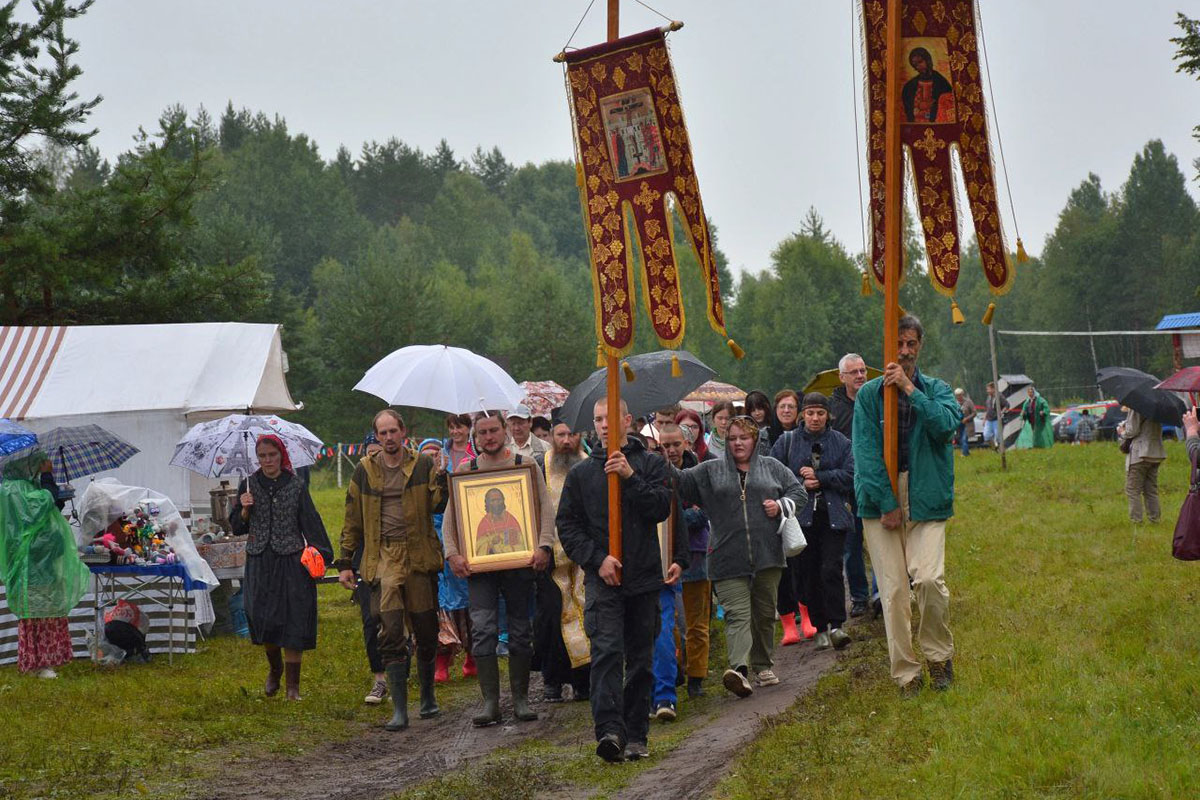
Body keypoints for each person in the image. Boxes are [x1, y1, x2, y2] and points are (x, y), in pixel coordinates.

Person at [557, 398, 676, 763]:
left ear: (627, 420)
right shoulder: (581, 474)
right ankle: (609, 731)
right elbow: (568, 525)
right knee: (607, 652)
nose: (604, 426)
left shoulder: (652, 464)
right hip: (603, 579)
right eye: (597, 420)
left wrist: (629, 477)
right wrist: (597, 559)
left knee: (640, 658)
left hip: (642, 577)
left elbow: (659, 507)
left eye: (610, 418)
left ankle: (637, 732)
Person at [853, 314, 960, 695]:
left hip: (926, 495)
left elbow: (947, 426)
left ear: (920, 346)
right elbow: (864, 454)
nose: (904, 351)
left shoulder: (937, 389)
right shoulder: (868, 397)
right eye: (898, 344)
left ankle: (939, 657)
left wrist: (912, 390)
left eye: (911, 344)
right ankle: (907, 674)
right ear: (885, 347)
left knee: (929, 579)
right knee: (895, 592)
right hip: (879, 499)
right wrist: (886, 500)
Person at [675, 416, 806, 698]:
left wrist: (782, 505)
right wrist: (675, 453)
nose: (738, 443)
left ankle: (762, 665)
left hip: (768, 554)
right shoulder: (710, 470)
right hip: (725, 555)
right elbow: (680, 484)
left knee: (763, 613)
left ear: (755, 440)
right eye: (732, 438)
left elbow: (799, 491)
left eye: (744, 438)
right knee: (737, 615)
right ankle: (740, 670)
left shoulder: (772, 467)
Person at [336, 409, 448, 731]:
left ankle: (427, 697)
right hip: (382, 555)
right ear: (376, 436)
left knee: (426, 630)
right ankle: (399, 709)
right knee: (390, 628)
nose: (388, 438)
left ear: (403, 432)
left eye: (392, 432)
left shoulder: (422, 464)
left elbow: (438, 505)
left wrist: (442, 478)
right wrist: (346, 562)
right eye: (381, 433)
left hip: (418, 554)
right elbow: (352, 518)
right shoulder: (364, 471)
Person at [444, 411, 555, 727]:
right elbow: (452, 519)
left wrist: (543, 545)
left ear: (505, 431)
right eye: (483, 432)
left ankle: (520, 699)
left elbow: (544, 508)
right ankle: (490, 703)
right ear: (475, 437)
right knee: (483, 630)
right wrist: (453, 554)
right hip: (480, 571)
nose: (489, 437)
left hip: (520, 565)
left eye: (494, 430)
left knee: (521, 631)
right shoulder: (467, 471)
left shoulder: (525, 465)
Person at [231, 435, 334, 701]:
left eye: (272, 455)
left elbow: (311, 522)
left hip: (290, 560)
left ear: (281, 456)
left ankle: (292, 687)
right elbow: (237, 527)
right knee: (263, 617)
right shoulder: (249, 484)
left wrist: (322, 554)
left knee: (292, 620)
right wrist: (244, 510)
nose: (268, 461)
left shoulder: (296, 485)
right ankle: (274, 669)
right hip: (260, 561)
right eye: (262, 456)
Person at [772, 394, 855, 650]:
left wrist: (821, 477)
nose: (815, 418)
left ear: (828, 415)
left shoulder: (841, 442)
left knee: (831, 568)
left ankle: (837, 625)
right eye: (810, 413)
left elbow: (851, 475)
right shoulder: (787, 442)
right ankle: (819, 627)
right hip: (801, 519)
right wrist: (800, 484)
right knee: (808, 573)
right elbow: (773, 476)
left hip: (833, 516)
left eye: (820, 413)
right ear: (802, 415)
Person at [0, 451, 89, 679]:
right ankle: (36, 664)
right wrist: (48, 478)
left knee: (47, 609)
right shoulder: (13, 489)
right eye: (36, 462)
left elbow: (47, 511)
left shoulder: (25, 486)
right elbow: (38, 508)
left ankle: (48, 660)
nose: (40, 466)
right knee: (35, 613)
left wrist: (56, 493)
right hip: (30, 564)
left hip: (43, 562)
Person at [536, 420, 591, 703]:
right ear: (553, 437)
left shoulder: (590, 463)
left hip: (584, 558)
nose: (567, 440)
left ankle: (584, 681)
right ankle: (553, 680)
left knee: (584, 615)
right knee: (551, 619)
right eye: (561, 434)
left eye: (573, 433)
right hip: (550, 558)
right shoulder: (539, 465)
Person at [659, 423, 712, 700]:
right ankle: (675, 671)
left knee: (696, 621)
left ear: (687, 443)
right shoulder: (656, 472)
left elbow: (702, 514)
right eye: (665, 445)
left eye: (676, 444)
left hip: (696, 554)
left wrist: (674, 519)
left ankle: (697, 676)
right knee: (671, 621)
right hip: (666, 556)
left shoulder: (700, 472)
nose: (671, 450)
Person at [831, 353, 877, 617]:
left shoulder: (875, 400)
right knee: (851, 546)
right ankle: (859, 596)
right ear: (842, 377)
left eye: (863, 371)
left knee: (880, 542)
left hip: (874, 481)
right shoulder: (833, 409)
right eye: (854, 372)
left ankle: (880, 593)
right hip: (846, 488)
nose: (860, 376)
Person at [434, 419, 475, 682]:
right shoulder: (439, 454)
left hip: (469, 528)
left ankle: (473, 655)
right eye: (452, 427)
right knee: (440, 597)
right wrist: (439, 471)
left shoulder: (477, 454)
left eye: (460, 426)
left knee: (470, 594)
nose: (455, 432)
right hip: (439, 527)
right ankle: (442, 659)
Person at [353, 435, 388, 704]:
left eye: (378, 453)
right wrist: (346, 563)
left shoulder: (402, 479)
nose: (374, 458)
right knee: (370, 619)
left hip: (399, 556)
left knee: (397, 619)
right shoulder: (359, 482)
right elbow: (350, 523)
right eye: (369, 453)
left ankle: (399, 673)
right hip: (367, 559)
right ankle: (379, 679)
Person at [1118, 408, 1166, 523]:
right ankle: (1155, 519)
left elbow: (1132, 431)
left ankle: (1136, 520)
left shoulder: (1137, 407)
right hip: (1155, 452)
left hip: (1140, 454)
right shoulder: (1157, 407)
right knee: (1151, 490)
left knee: (1133, 489)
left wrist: (1122, 432)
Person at [902, 46, 955, 123]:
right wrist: (917, 106)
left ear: (928, 60)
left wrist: (934, 104)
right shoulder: (909, 86)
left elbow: (949, 102)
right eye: (915, 65)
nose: (918, 67)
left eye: (920, 62)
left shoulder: (941, 82)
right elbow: (907, 109)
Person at [983, 382, 1008, 448]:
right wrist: (984, 419)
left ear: (993, 389)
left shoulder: (999, 396)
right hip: (988, 420)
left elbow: (1007, 405)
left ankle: (1000, 450)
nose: (987, 391)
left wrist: (1002, 412)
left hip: (997, 419)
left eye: (988, 389)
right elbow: (987, 409)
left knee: (998, 437)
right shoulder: (988, 397)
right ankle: (994, 448)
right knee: (986, 435)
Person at [954, 388, 976, 456]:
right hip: (958, 425)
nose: (958, 397)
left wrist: (966, 418)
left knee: (964, 438)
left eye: (959, 395)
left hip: (967, 424)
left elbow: (974, 413)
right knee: (960, 439)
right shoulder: (954, 402)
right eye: (957, 395)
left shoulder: (968, 402)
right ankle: (967, 452)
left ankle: (964, 454)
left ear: (962, 394)